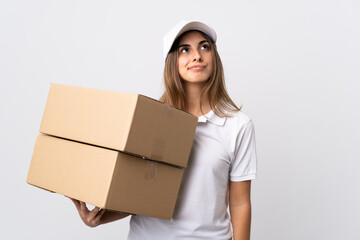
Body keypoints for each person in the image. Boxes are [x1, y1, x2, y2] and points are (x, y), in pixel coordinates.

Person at [69, 20, 257, 240]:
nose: (197, 55)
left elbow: (240, 202)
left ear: (214, 57)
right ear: (172, 62)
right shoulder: (150, 120)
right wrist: (101, 217)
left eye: (204, 47)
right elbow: (141, 195)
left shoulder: (238, 126)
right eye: (184, 50)